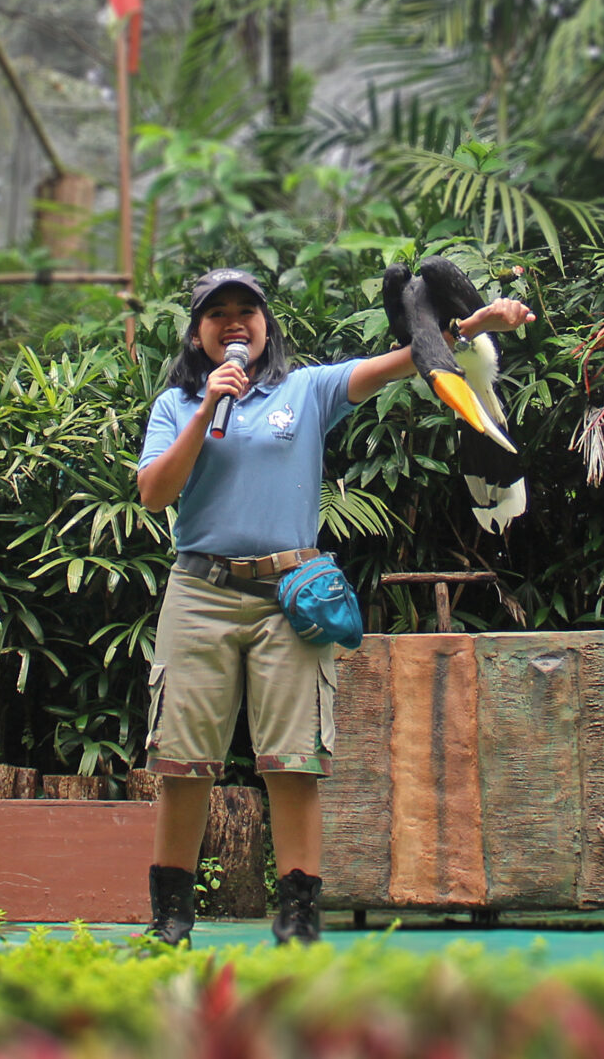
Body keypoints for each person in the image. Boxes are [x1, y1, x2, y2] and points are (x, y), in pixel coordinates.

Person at [135, 266, 537, 947]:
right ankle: (171, 918)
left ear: (267, 323)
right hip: (200, 593)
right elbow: (153, 494)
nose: (234, 324)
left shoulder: (308, 389)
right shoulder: (177, 404)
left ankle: (297, 919)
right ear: (198, 332)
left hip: (289, 597)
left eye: (247, 311)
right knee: (184, 764)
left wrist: (472, 328)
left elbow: (405, 362)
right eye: (218, 315)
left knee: (293, 764)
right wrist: (207, 410)